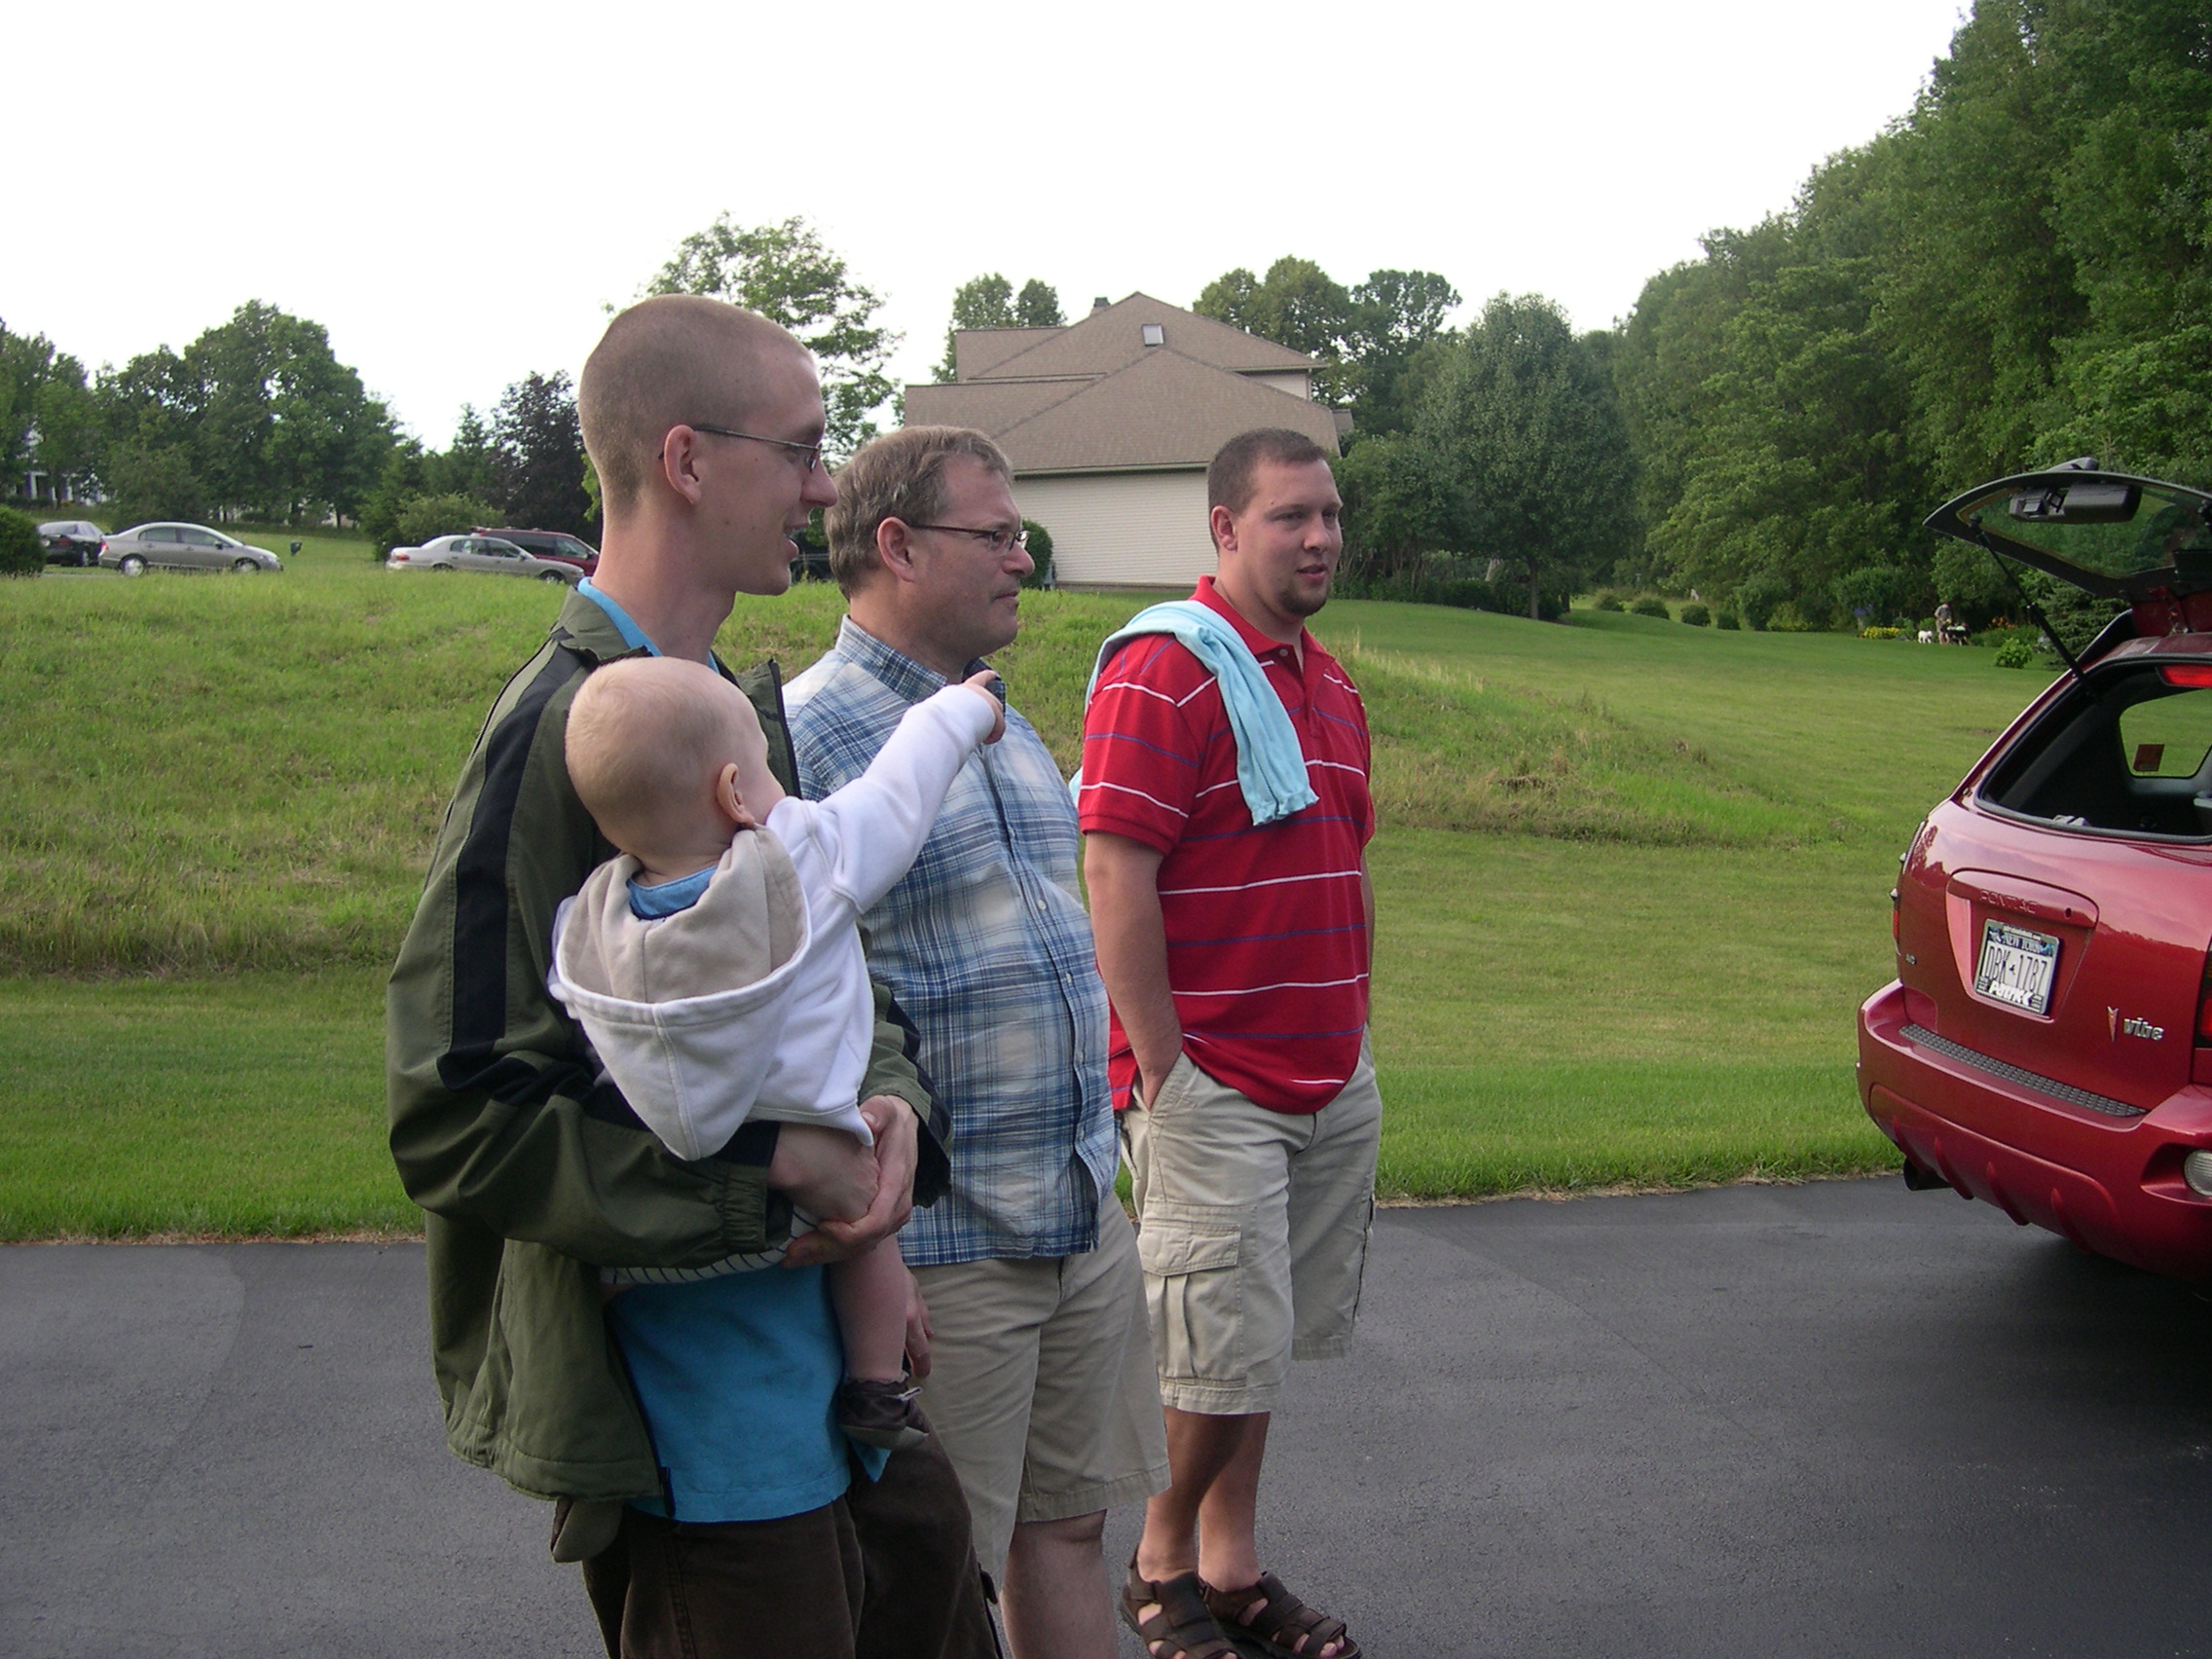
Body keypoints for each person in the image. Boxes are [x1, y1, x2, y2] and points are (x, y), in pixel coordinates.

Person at [386, 294, 996, 1659]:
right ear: (684, 460)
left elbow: (824, 972)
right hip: (701, 1448)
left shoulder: (722, 703)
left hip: (847, 1410)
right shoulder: (567, 732)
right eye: (802, 447)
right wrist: (777, 1168)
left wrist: (891, 1122)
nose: (829, 484)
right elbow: (458, 1106)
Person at [785, 425, 1168, 1659]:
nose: (1022, 555)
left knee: (1069, 1531)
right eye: (994, 533)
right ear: (895, 544)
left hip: (1075, 1209)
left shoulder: (1000, 723)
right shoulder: (803, 740)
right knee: (932, 1582)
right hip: (946, 1252)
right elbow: (801, 1011)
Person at [1081, 427, 1380, 1659]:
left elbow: (1339, 863)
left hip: (1325, 1069)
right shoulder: (1168, 670)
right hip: (1217, 1080)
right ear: (1222, 528)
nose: (1317, 538)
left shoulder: (1327, 679)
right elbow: (1113, 867)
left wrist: (1356, 1032)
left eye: (1328, 515)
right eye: (1286, 517)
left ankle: (1231, 1566)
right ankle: (1159, 1571)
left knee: (1261, 1345)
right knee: (1211, 1352)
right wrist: (1164, 1069)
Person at [549, 652, 1006, 1450]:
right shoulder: (800, 859)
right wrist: (966, 710)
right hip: (802, 1200)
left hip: (666, 1230)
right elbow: (900, 789)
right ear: (733, 793)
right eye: (764, 767)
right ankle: (876, 1389)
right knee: (872, 1223)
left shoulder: (599, 920)